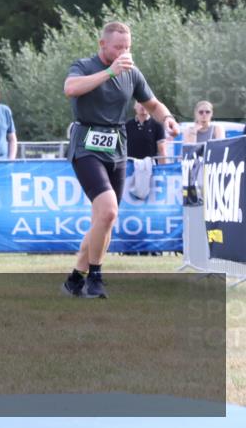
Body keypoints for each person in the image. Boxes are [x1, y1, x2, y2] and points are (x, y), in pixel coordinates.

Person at [60, 21, 179, 299]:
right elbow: (70, 89)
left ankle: (75, 280)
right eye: (118, 47)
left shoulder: (132, 73)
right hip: (87, 145)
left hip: (117, 147)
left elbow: (153, 104)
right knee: (109, 211)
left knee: (103, 220)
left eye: (128, 47)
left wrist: (167, 118)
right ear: (102, 44)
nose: (124, 52)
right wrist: (109, 72)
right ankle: (95, 278)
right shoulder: (84, 66)